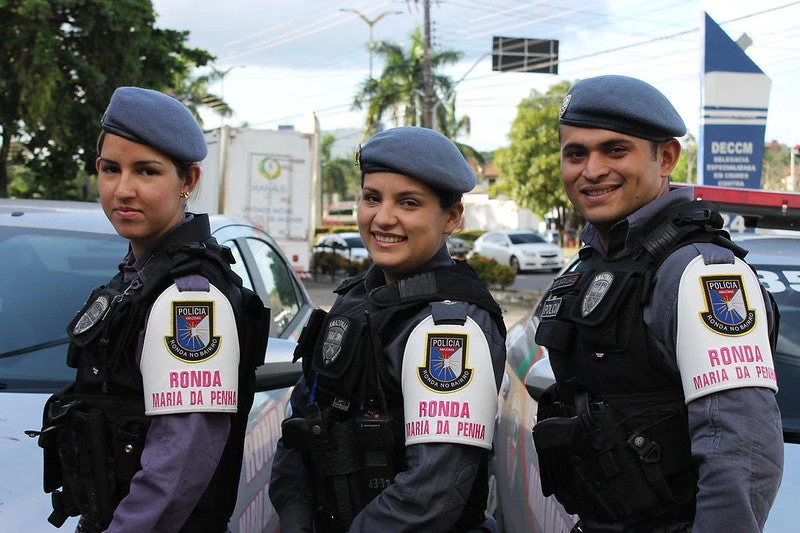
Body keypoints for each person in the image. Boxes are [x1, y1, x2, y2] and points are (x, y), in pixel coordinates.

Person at [530, 74, 784, 532]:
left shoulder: (703, 273)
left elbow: (742, 453)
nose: (591, 170)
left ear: (665, 157)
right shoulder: (599, 258)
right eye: (576, 153)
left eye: (615, 150)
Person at [36, 87, 270, 532]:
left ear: (188, 181)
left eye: (146, 171)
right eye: (111, 169)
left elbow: (177, 468)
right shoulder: (139, 274)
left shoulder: (190, 299)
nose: (123, 189)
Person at [269, 126, 507, 532]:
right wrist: (294, 516)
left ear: (451, 216)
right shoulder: (355, 298)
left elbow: (431, 495)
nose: (382, 218)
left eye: (409, 203)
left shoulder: (450, 329)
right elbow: (301, 425)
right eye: (372, 198)